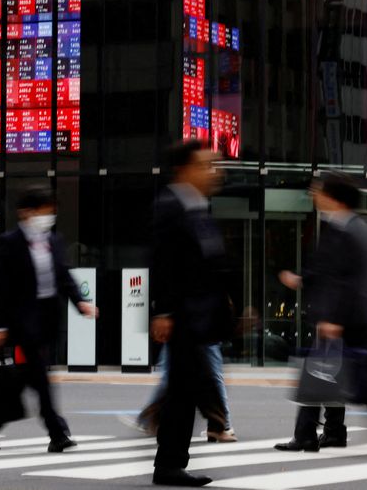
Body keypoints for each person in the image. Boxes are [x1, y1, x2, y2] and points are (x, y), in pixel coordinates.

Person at [274, 173, 367, 456]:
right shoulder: (348, 228)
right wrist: (301, 279)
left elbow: (352, 280)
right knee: (318, 374)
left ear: (334, 197)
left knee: (361, 386)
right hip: (345, 318)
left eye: (318, 191)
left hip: (347, 321)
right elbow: (330, 272)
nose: (313, 194)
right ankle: (308, 435)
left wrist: (336, 319)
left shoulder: (349, 231)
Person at [0, 185, 98, 452]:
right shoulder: (10, 242)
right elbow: (0, 287)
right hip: (22, 320)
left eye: (51, 211)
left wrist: (80, 302)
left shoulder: (53, 240)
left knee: (27, 379)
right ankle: (57, 433)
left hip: (47, 318)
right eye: (44, 210)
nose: (49, 216)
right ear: (27, 212)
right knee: (40, 375)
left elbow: (63, 275)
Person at [150, 141, 231, 488]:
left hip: (200, 317)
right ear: (184, 170)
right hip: (182, 315)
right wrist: (163, 310)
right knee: (188, 387)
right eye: (206, 164)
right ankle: (169, 463)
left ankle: (169, 461)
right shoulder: (170, 206)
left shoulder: (198, 207)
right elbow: (163, 262)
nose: (214, 171)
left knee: (183, 388)